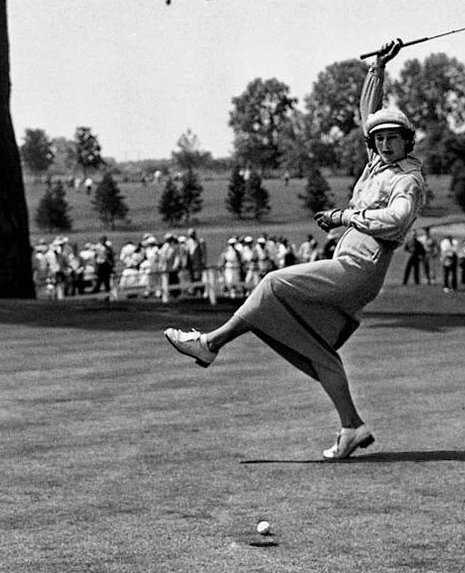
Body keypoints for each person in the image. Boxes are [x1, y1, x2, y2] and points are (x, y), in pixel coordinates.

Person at [164, 39, 424, 460]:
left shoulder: (407, 179)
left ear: (407, 141)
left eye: (393, 138)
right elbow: (367, 117)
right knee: (315, 348)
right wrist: (377, 69)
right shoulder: (378, 162)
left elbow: (396, 219)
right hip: (348, 260)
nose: (384, 144)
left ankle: (211, 344)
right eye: (380, 139)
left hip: (363, 264)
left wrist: (344, 218)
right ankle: (352, 427)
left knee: (272, 283)